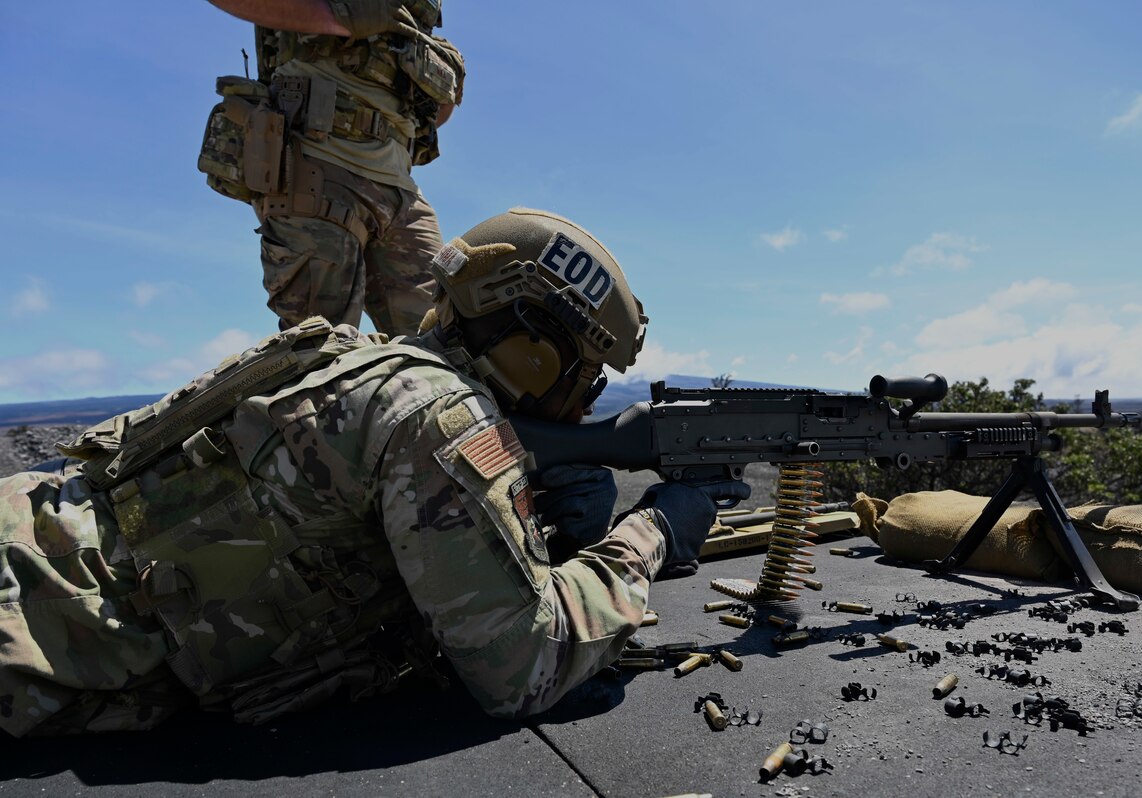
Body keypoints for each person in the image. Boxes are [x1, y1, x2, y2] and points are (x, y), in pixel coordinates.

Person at [0, 208, 749, 736]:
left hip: (36, 550)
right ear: (533, 351)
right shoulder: (441, 417)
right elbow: (523, 666)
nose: (584, 400)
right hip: (41, 632)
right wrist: (654, 532)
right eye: (583, 379)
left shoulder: (370, 362)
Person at [201, 0, 465, 336]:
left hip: (400, 191)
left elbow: (434, 112)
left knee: (444, 342)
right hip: (316, 170)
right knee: (322, 351)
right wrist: (334, 18)